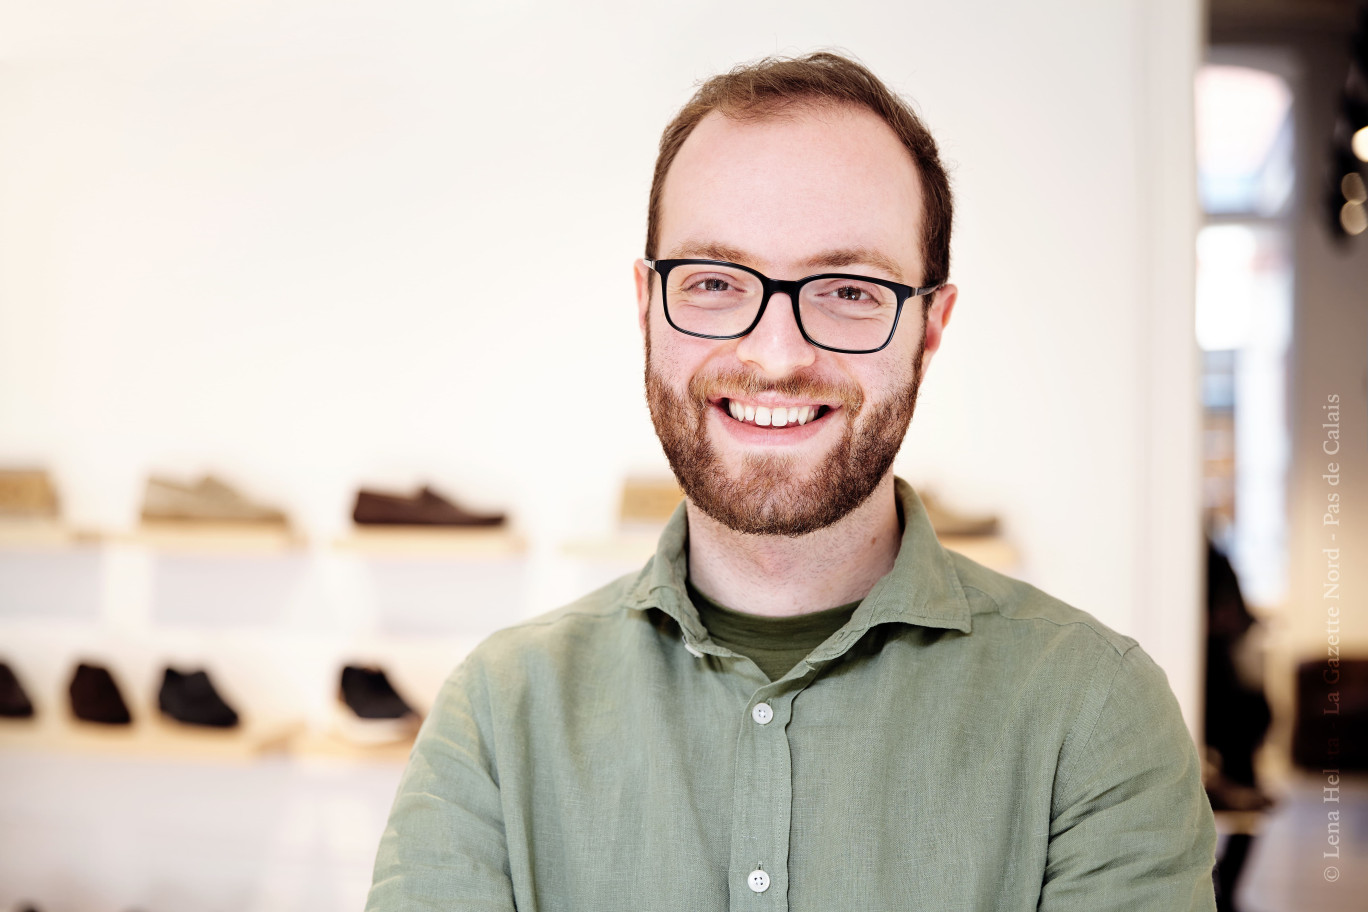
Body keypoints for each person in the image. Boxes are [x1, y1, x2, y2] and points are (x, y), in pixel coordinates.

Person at [366, 52, 1217, 911]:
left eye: (848, 289)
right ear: (646, 304)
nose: (775, 356)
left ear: (931, 326)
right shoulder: (498, 714)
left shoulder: (1095, 712)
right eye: (712, 282)